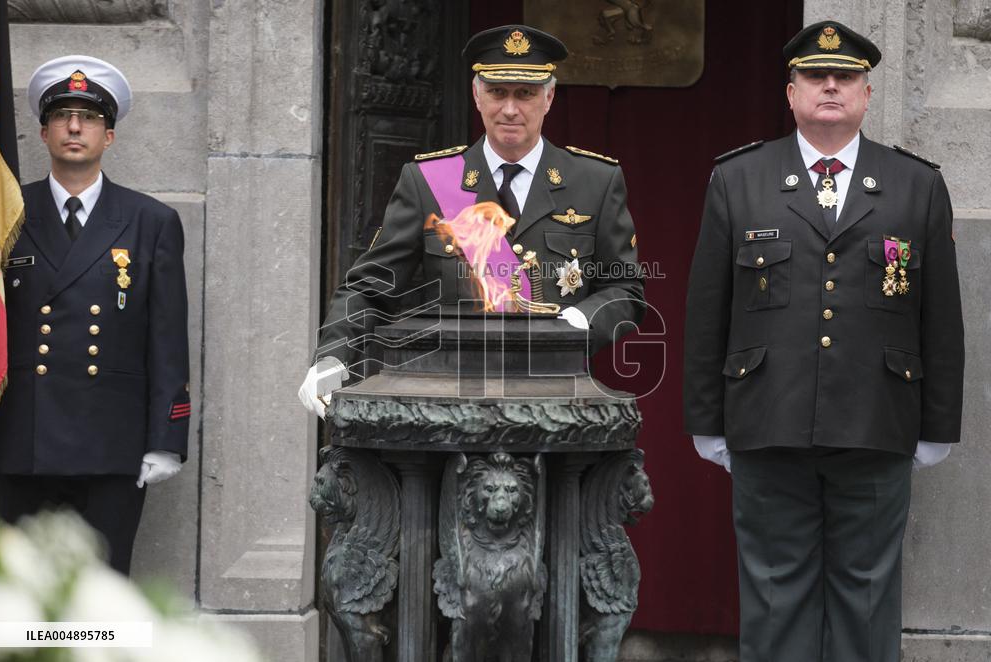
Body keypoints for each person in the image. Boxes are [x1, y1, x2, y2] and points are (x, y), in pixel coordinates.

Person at [683, 21, 964, 662]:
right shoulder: (740, 180)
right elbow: (707, 312)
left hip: (878, 424)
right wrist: (706, 420)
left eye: (845, 77)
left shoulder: (916, 185)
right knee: (776, 602)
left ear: (866, 93)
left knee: (868, 604)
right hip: (766, 423)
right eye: (815, 75)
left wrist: (937, 424)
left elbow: (941, 318)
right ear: (791, 92)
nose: (830, 85)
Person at [299, 25, 645, 415]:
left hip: (558, 395)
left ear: (549, 97)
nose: (510, 109)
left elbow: (625, 290)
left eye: (526, 94)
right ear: (476, 95)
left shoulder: (594, 182)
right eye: (497, 92)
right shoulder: (429, 181)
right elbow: (371, 287)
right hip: (445, 400)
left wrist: (577, 322)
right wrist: (331, 359)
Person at [0, 56, 191, 575]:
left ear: (110, 136)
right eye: (62, 116)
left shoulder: (151, 221)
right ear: (43, 131)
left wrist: (166, 440)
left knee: (101, 595)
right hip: (19, 442)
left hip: (112, 445)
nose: (75, 127)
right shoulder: (5, 212)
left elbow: (166, 338)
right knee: (24, 598)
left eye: (90, 117)